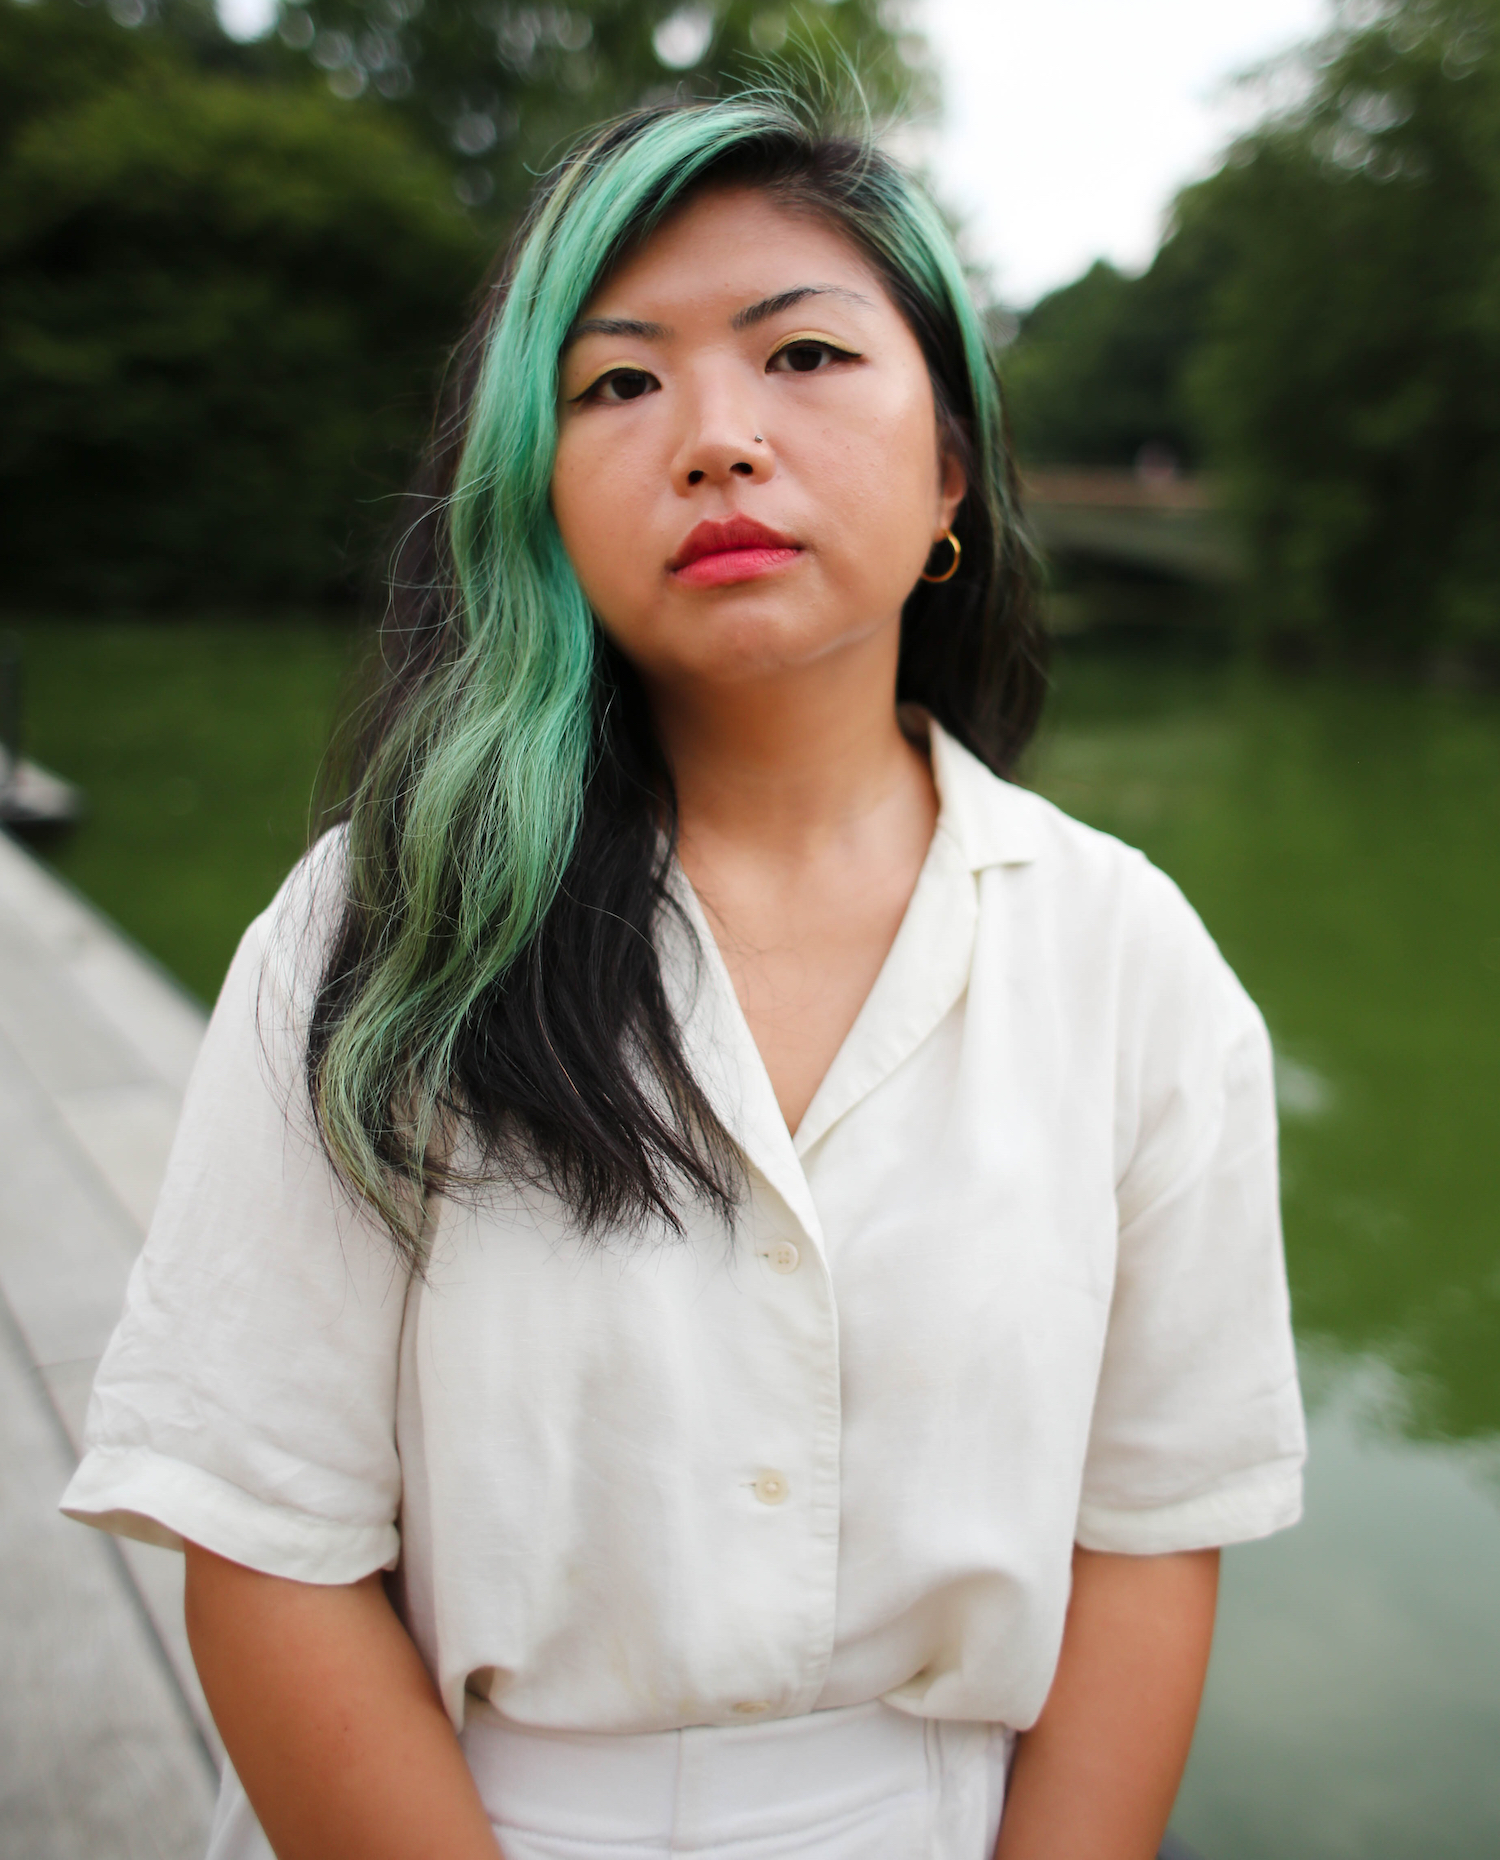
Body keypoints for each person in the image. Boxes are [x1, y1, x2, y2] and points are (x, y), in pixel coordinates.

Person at [62, 92, 1306, 1860]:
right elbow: (265, 1545)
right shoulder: (385, 929)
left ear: (953, 461)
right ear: (540, 489)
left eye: (803, 354)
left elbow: (1150, 1534)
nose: (717, 437)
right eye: (618, 383)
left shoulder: (1127, 959)